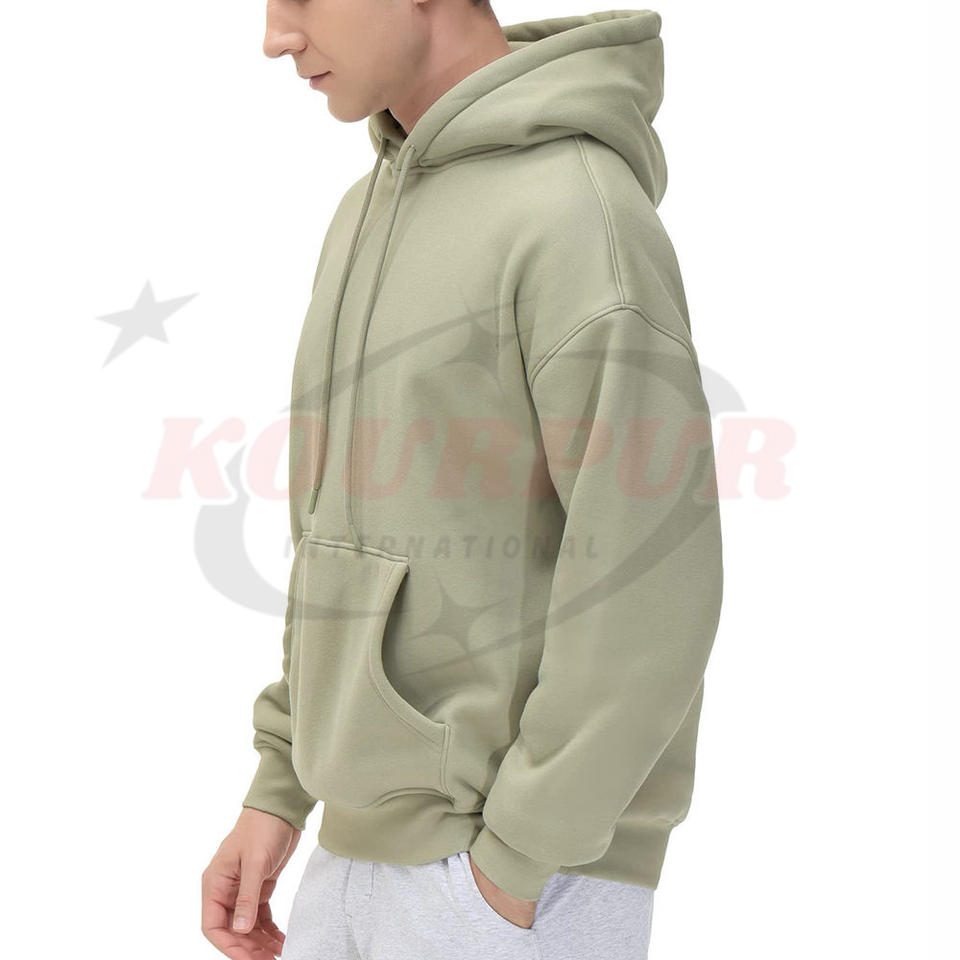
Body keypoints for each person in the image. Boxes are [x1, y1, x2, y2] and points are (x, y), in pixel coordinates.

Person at [201, 3, 724, 958]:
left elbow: (656, 585)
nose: (276, 36)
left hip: (518, 876)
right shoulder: (367, 209)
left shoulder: (578, 215)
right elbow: (333, 532)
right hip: (351, 852)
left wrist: (512, 868)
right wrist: (279, 788)